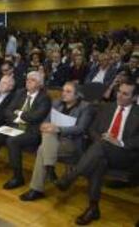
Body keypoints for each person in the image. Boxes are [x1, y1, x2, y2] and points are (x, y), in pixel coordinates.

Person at [55, 81, 139, 225]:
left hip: (125, 154)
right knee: (99, 161)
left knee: (99, 148)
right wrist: (102, 140)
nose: (119, 95)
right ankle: (93, 208)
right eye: (119, 91)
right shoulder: (108, 107)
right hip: (102, 151)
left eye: (125, 94)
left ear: (134, 97)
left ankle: (70, 177)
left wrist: (120, 143)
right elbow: (92, 129)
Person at [0, 71, 51, 190]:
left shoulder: (44, 98)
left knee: (12, 141)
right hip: (13, 126)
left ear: (39, 84)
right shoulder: (20, 93)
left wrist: (19, 113)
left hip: (30, 131)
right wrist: (20, 116)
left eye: (32, 80)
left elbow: (36, 117)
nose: (28, 81)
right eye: (27, 79)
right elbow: (8, 111)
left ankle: (18, 177)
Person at [19, 82, 93, 201]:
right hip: (51, 140)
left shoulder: (85, 107)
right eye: (63, 90)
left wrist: (59, 129)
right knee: (43, 147)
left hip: (70, 142)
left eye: (68, 91)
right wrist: (43, 125)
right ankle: (49, 170)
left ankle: (38, 187)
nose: (64, 94)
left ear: (77, 95)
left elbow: (81, 128)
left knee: (44, 145)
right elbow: (46, 121)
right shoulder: (56, 103)